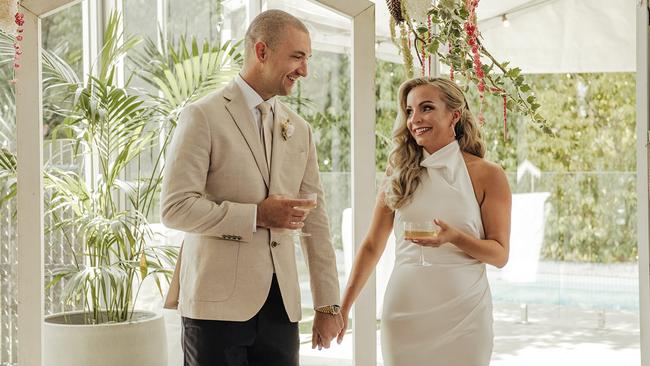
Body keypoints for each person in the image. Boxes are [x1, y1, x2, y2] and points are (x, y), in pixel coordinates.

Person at [161, 9, 343, 366]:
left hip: (281, 309)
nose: (304, 70)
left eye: (308, 58)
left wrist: (327, 303)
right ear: (261, 52)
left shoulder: (299, 129)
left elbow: (316, 221)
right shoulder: (203, 116)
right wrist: (257, 215)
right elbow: (175, 207)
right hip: (215, 307)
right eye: (297, 56)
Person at [336, 77, 511, 365]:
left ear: (454, 115)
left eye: (426, 108)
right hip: (405, 313)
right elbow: (371, 246)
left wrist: (455, 237)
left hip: (465, 315)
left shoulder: (488, 174)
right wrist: (343, 308)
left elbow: (500, 255)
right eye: (408, 111)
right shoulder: (398, 169)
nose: (414, 119)